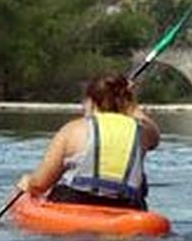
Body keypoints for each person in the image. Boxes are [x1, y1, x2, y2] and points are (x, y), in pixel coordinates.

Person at [16, 74, 160, 210]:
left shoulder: (73, 130)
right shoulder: (143, 132)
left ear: (91, 101)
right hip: (127, 207)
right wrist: (131, 104)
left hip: (75, 206)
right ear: (127, 102)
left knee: (30, 186)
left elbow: (40, 184)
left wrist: (28, 182)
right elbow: (155, 138)